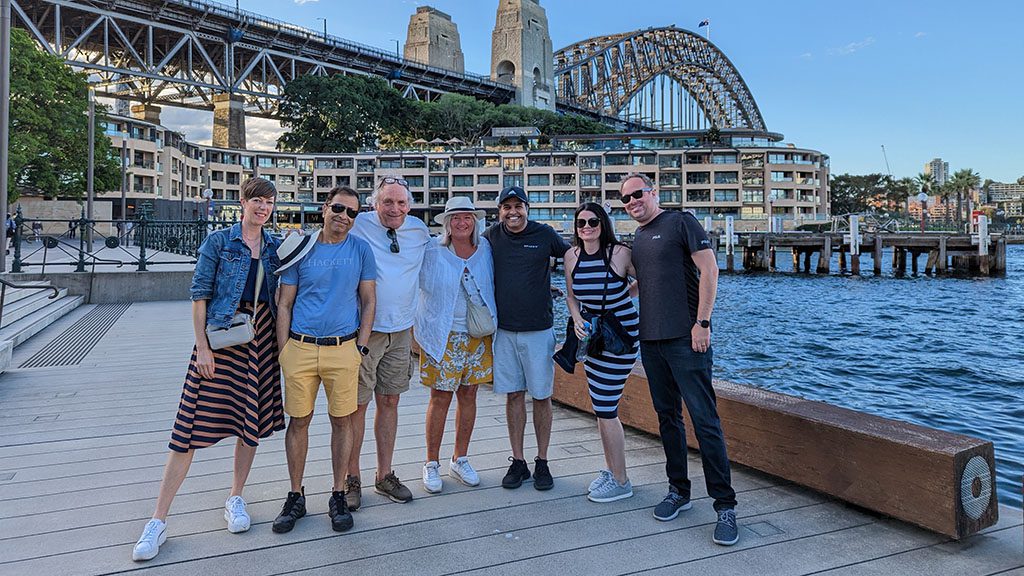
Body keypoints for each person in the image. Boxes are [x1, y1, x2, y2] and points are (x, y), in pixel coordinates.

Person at [132, 177, 284, 561]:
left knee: (248, 426)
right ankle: (158, 519)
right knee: (188, 429)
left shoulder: (275, 246)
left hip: (260, 340)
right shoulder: (219, 241)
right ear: (243, 201)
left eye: (269, 202)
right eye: (257, 201)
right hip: (220, 338)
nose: (263, 208)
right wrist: (202, 347)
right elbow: (199, 295)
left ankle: (236, 497)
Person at [621, 173, 739, 546]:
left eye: (637, 194)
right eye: (625, 199)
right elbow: (646, 283)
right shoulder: (638, 237)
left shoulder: (681, 221)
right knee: (667, 418)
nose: (632, 201)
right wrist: (610, 298)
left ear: (653, 192)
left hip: (687, 340)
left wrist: (703, 322)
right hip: (650, 342)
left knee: (705, 421)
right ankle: (678, 491)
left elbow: (709, 269)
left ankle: (725, 506)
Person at [272, 186, 376, 534]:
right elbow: (284, 302)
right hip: (299, 348)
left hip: (343, 349)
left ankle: (337, 493)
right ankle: (295, 494)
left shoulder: (361, 249)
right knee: (298, 422)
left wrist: (360, 348)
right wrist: (284, 349)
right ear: (324, 207)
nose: (344, 217)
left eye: (352, 213)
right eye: (338, 208)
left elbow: (368, 300)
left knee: (342, 422)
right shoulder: (301, 248)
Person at [347, 176, 431, 508]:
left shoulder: (418, 230)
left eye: (401, 202)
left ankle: (384, 475)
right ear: (374, 204)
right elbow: (325, 240)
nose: (394, 208)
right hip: (365, 330)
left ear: (409, 205)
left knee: (390, 402)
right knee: (357, 406)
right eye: (387, 202)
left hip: (402, 332)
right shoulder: (358, 224)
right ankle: (350, 477)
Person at [483, 186, 569, 491]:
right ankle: (518, 461)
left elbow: (575, 256)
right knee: (513, 395)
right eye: (506, 207)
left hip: (539, 330)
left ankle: (542, 461)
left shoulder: (544, 234)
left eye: (518, 206)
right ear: (499, 212)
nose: (513, 212)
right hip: (503, 331)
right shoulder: (491, 236)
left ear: (527, 208)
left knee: (542, 396)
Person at [416, 197, 496, 494]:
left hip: (477, 334)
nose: (462, 222)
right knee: (440, 397)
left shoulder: (485, 249)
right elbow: (415, 282)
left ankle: (460, 457)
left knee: (469, 394)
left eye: (467, 217)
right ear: (446, 222)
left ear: (475, 221)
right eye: (455, 218)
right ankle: (431, 462)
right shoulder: (432, 250)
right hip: (443, 333)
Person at [562, 202, 639, 503]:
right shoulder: (572, 256)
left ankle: (621, 481)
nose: (587, 227)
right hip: (593, 338)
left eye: (593, 221)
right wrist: (578, 317)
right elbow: (571, 295)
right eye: (581, 223)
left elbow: (644, 281)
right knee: (600, 408)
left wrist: (621, 301)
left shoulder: (619, 253)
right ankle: (612, 469)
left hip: (620, 337)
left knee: (606, 408)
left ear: (603, 223)